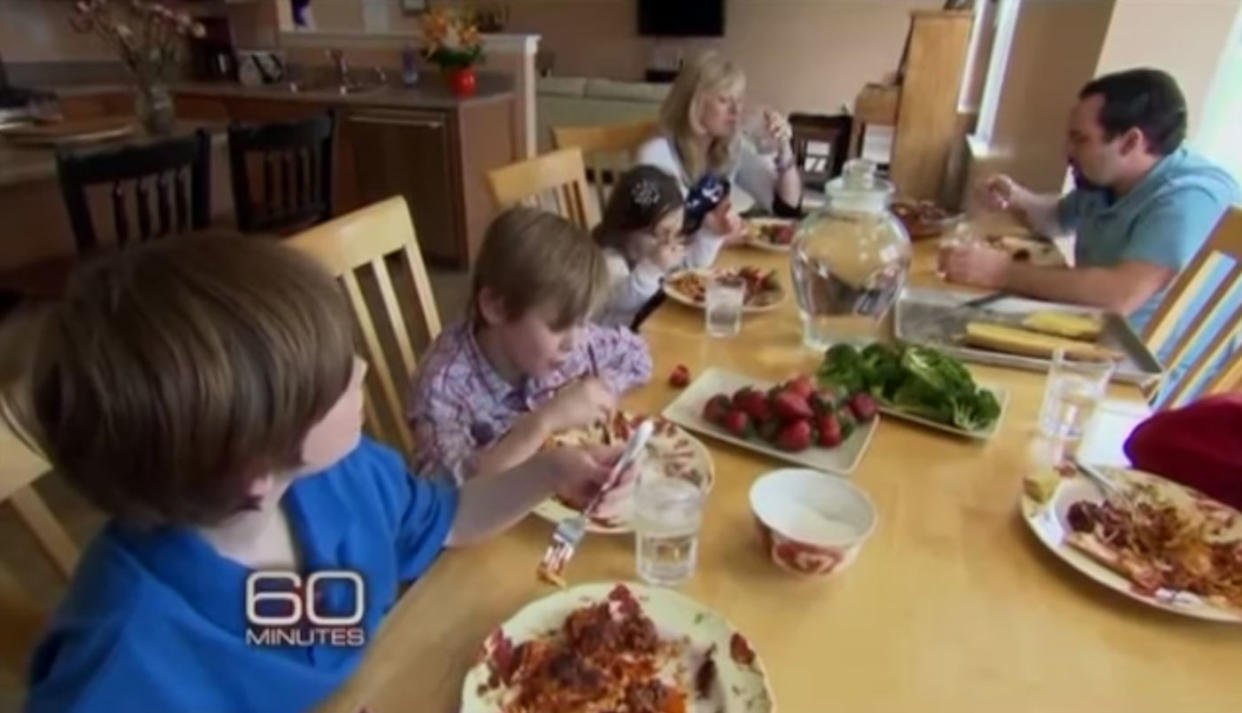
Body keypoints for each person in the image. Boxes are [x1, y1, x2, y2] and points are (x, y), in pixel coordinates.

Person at [2, 235, 627, 713]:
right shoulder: (122, 660)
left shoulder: (344, 475)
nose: (361, 370)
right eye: (335, 379)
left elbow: (449, 517)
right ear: (253, 471)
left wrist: (551, 470)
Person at [944, 68, 1239, 332]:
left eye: (1080, 139)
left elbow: (1120, 295)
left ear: (1130, 142)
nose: (1067, 151)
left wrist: (1001, 272)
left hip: (1142, 374)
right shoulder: (1108, 178)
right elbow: (1056, 219)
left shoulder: (1188, 198)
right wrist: (1016, 196)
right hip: (1089, 332)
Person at [407, 206, 652, 482]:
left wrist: (599, 392)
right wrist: (543, 422)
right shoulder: (443, 386)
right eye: (558, 325)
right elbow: (448, 498)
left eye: (582, 321)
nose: (574, 342)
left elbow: (635, 353)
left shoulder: (566, 344)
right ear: (496, 308)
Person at [637, 50, 803, 269]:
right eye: (724, 100)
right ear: (694, 103)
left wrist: (784, 146)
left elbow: (786, 208)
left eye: (739, 100)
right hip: (656, 282)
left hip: (703, 265)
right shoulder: (657, 154)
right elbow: (667, 247)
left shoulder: (730, 147)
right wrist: (729, 235)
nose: (736, 111)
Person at [592, 165, 688, 328]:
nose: (669, 242)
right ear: (629, 228)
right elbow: (624, 301)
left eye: (676, 232)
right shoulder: (608, 260)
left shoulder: (642, 251)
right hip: (609, 344)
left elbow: (692, 268)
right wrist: (653, 267)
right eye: (662, 233)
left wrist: (712, 235)